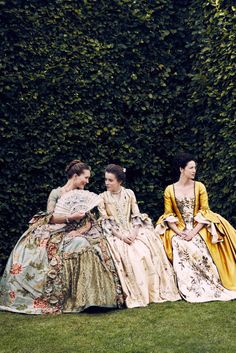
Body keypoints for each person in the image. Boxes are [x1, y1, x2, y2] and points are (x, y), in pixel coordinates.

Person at [0, 160, 124, 314]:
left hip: (78, 232)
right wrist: (70, 217)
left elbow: (89, 221)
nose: (87, 181)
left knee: (95, 244)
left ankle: (94, 298)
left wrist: (79, 231)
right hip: (57, 231)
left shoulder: (83, 195)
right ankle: (73, 299)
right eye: (85, 177)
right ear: (75, 176)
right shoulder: (56, 193)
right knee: (78, 245)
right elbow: (50, 217)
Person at [155, 153, 236, 302]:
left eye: (195, 167)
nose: (194, 170)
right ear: (181, 169)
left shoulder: (199, 187)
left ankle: (213, 282)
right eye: (191, 167)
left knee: (197, 244)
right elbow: (168, 215)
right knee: (178, 243)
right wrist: (179, 232)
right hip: (178, 228)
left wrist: (192, 232)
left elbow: (205, 212)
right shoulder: (169, 190)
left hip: (199, 227)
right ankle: (190, 287)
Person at [98, 164, 181, 308]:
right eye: (106, 180)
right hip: (116, 234)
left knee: (146, 251)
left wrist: (134, 233)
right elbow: (106, 222)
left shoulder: (129, 193)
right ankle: (136, 294)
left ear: (120, 181)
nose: (107, 183)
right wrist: (122, 237)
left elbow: (136, 215)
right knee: (130, 256)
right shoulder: (102, 197)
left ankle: (152, 293)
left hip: (133, 231)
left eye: (110, 180)